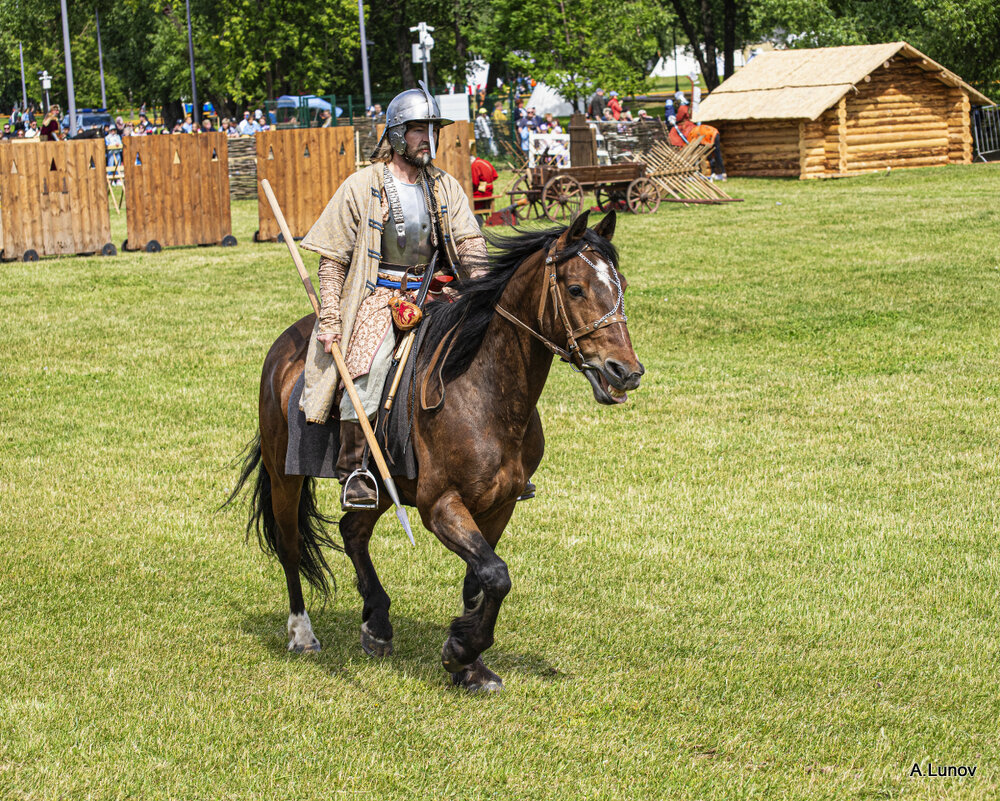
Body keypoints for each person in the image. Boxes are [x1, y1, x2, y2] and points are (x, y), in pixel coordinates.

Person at [298, 86, 488, 509]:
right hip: (378, 297)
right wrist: (330, 317)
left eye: (432, 130)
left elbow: (470, 243)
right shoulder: (362, 186)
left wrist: (479, 283)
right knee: (366, 371)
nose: (428, 139)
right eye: (418, 130)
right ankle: (355, 471)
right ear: (398, 134)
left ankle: (495, 457)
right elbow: (332, 262)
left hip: (436, 293)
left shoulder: (443, 186)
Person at [470, 150, 499, 216]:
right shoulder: (485, 162)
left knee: (467, 197)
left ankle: (477, 216)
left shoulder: (474, 165)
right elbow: (495, 176)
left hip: (482, 192)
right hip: (490, 190)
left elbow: (474, 182)